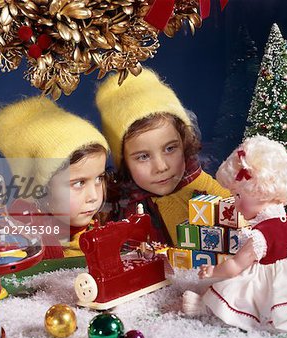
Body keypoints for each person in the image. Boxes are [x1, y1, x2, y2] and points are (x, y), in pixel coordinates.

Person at [182, 135, 287, 333]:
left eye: (238, 195)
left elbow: (234, 266)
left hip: (270, 280)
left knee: (233, 285)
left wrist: (213, 271)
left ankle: (206, 306)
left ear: (260, 192)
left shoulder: (260, 236)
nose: (234, 202)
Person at [96, 68, 230, 245]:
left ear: (184, 143)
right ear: (125, 163)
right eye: (143, 157)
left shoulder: (210, 194)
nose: (161, 167)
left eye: (169, 149)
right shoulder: (119, 209)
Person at [0, 96, 109, 259]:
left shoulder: (97, 224)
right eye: (79, 183)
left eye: (99, 179)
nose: (94, 197)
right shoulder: (22, 239)